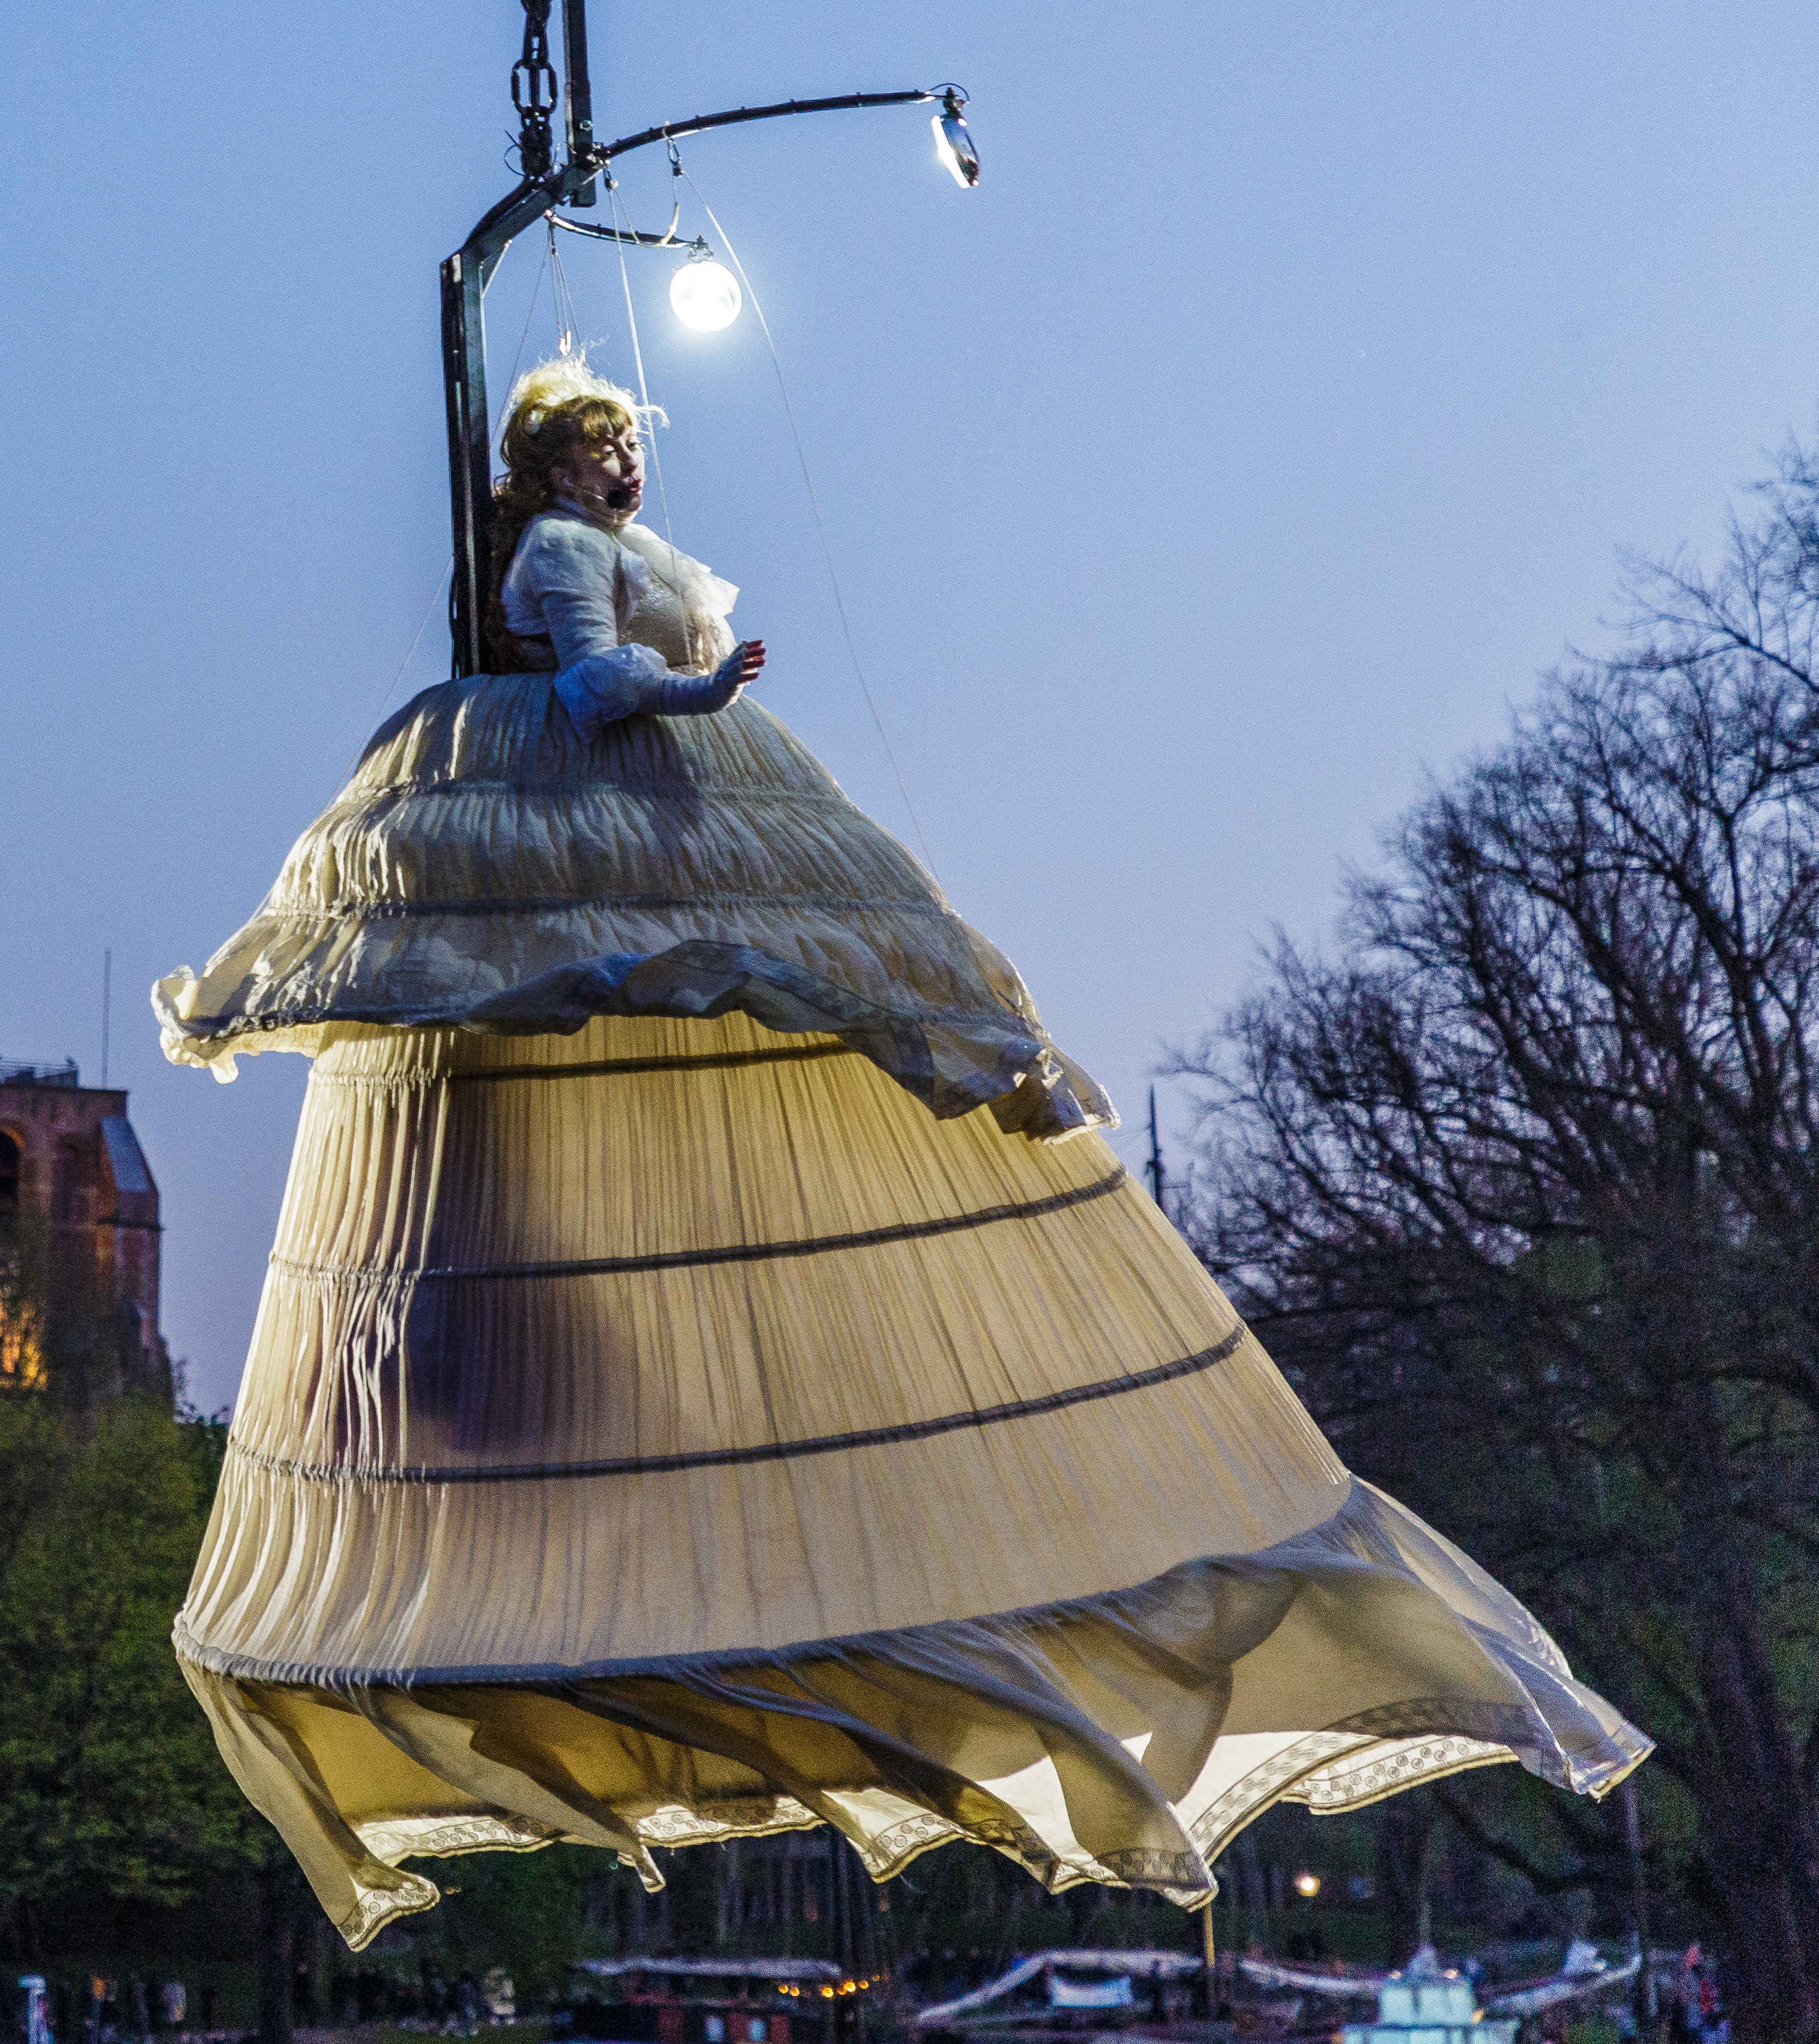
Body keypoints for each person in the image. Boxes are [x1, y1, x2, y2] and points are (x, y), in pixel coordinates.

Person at [158, 348, 1651, 1951]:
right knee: (569, 1025)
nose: (621, 469)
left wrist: (707, 692)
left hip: (693, 820)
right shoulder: (564, 559)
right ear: (555, 467)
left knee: (802, 1023)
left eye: (623, 445)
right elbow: (593, 692)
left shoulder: (625, 548)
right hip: (585, 802)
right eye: (600, 448)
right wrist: (703, 697)